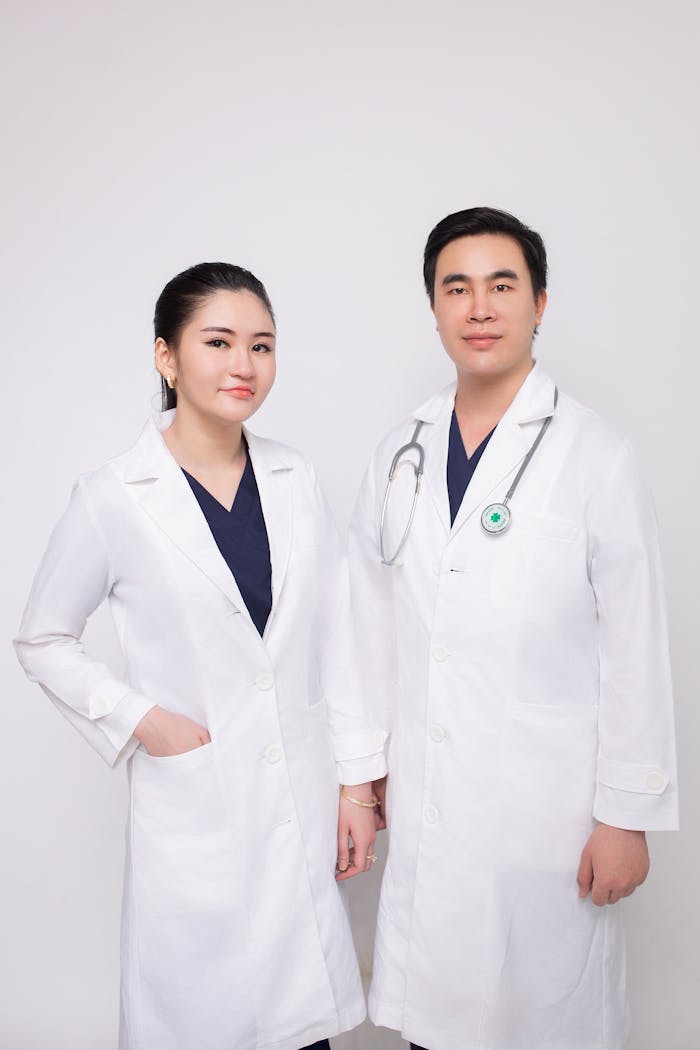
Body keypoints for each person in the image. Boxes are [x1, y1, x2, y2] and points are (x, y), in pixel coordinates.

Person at [14, 262, 385, 1050]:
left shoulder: (295, 477)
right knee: (201, 1020)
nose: (243, 365)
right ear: (167, 357)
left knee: (300, 1024)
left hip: (301, 801)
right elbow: (41, 637)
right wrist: (142, 719)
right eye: (218, 342)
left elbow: (339, 635)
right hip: (196, 815)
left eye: (262, 344)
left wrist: (357, 785)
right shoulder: (113, 496)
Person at [347, 208, 678, 1050]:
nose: (480, 307)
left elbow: (634, 642)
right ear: (434, 308)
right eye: (457, 287)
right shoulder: (399, 452)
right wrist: (360, 770)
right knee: (436, 1020)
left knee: (540, 1015)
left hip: (550, 808)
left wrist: (626, 815)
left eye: (502, 285)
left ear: (540, 303)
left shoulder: (595, 452)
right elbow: (366, 621)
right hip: (425, 793)